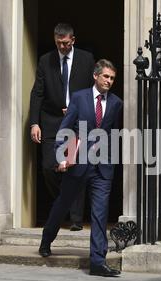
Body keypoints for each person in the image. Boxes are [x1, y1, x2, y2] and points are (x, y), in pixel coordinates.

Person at [38, 59, 123, 278]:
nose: (109, 81)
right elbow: (65, 128)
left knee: (99, 214)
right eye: (106, 76)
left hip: (102, 168)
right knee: (63, 204)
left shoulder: (116, 103)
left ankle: (97, 262)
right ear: (96, 76)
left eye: (112, 78)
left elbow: (113, 135)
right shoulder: (79, 98)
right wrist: (61, 156)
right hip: (78, 165)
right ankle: (47, 239)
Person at [30, 23, 95, 231]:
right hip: (51, 121)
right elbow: (37, 93)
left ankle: (76, 219)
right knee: (49, 167)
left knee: (75, 168)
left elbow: (93, 91)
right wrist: (34, 123)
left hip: (77, 122)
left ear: (73, 40)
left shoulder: (86, 59)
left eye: (66, 43)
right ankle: (65, 200)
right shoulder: (45, 60)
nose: (62, 47)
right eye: (58, 43)